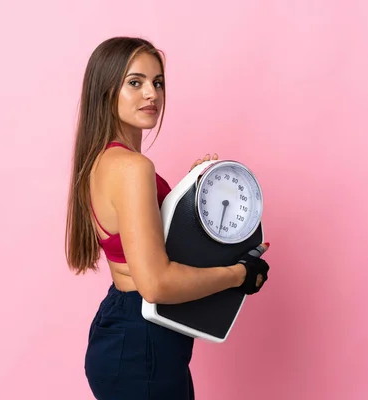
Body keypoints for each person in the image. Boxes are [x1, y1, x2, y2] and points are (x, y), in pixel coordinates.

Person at [65, 36, 271, 400]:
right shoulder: (132, 168)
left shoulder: (101, 163)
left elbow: (149, 247)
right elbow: (156, 283)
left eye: (157, 82)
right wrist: (239, 275)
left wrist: (189, 195)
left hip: (126, 329)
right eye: (136, 82)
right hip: (142, 339)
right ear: (106, 91)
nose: (152, 94)